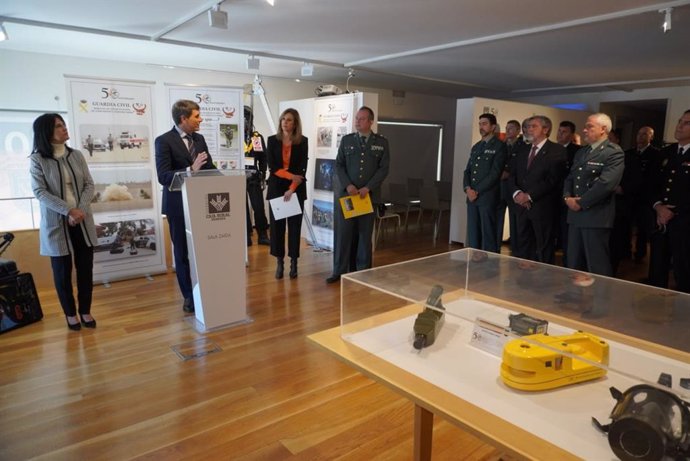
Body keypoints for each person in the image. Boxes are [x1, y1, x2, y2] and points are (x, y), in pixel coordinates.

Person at [30, 113, 98, 330]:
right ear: (46, 132)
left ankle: (85, 311)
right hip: (57, 225)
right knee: (62, 273)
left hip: (82, 222)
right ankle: (71, 315)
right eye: (59, 126)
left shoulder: (76, 155)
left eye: (64, 124)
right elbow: (39, 192)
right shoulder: (37, 160)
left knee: (86, 270)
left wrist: (79, 211)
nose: (64, 128)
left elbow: (89, 185)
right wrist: (68, 210)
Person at [155, 100, 215, 313]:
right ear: (183, 118)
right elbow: (163, 176)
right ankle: (189, 296)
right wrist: (190, 170)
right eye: (196, 116)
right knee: (182, 252)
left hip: (201, 204)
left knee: (201, 251)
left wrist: (229, 181)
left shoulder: (199, 139)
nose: (201, 120)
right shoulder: (163, 141)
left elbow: (209, 168)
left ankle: (205, 290)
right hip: (177, 206)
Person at [327, 106, 390, 284]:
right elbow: (339, 165)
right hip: (348, 196)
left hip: (367, 198)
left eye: (361, 119)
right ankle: (338, 271)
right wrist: (348, 185)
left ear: (371, 121)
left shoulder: (381, 142)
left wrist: (368, 187)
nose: (357, 121)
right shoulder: (347, 141)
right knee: (343, 235)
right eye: (356, 118)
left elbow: (383, 169)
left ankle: (363, 273)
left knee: (364, 236)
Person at [563, 113, 624, 276]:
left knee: (596, 264)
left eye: (589, 126)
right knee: (573, 263)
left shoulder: (613, 152)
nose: (584, 130)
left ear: (603, 129)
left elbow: (606, 184)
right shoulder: (582, 152)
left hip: (595, 216)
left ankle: (601, 300)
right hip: (575, 215)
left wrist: (580, 202)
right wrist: (567, 197)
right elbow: (570, 178)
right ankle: (573, 299)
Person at [509, 115, 567, 264]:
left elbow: (552, 180)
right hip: (521, 207)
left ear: (546, 129)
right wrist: (517, 194)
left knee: (543, 248)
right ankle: (524, 279)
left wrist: (529, 196)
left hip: (542, 207)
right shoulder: (523, 149)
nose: (529, 129)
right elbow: (513, 175)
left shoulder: (557, 150)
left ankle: (543, 283)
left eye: (533, 126)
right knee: (523, 245)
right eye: (528, 126)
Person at [648, 110, 690, 293]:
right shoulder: (665, 153)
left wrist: (675, 210)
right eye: (680, 121)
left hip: (685, 223)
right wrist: (658, 207)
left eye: (686, 123)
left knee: (684, 271)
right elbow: (650, 185)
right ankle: (656, 313)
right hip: (660, 221)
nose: (679, 126)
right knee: (657, 269)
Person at [266, 108, 309, 279]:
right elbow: (273, 167)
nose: (285, 122)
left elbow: (301, 168)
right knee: (277, 228)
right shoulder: (272, 140)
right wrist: (292, 177)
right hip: (277, 186)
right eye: (283, 119)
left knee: (294, 227)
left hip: (296, 189)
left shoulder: (303, 141)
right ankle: (279, 262)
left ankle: (294, 263)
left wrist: (292, 188)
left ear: (295, 123)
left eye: (289, 119)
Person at [463, 113, 507, 252]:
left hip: (486, 196)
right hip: (472, 197)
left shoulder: (499, 146)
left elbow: (495, 174)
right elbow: (468, 171)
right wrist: (467, 188)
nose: (481, 127)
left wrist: (477, 191)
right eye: (480, 124)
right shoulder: (477, 146)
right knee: (473, 232)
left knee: (488, 233)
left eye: (484, 124)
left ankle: (489, 266)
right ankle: (475, 261)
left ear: (493, 127)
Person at [628, 126, 659, 262]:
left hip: (645, 198)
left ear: (651, 137)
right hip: (629, 196)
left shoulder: (656, 154)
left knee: (643, 228)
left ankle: (640, 254)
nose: (640, 136)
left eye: (644, 134)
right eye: (639, 133)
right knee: (626, 225)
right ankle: (625, 251)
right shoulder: (629, 153)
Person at [244, 107, 270, 246]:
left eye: (248, 117)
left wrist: (263, 173)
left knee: (259, 207)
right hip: (238, 177)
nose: (246, 120)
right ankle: (246, 235)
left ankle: (263, 234)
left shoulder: (256, 137)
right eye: (243, 117)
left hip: (254, 177)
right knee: (242, 208)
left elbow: (263, 157)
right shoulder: (234, 135)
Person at [556, 120, 580, 267]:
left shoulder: (577, 151)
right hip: (551, 197)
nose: (560, 134)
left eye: (564, 132)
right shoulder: (551, 148)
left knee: (566, 235)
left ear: (571, 135)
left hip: (566, 197)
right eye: (559, 131)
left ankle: (567, 264)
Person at [498, 119, 524, 254]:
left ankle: (516, 247)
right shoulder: (502, 145)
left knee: (515, 220)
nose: (508, 131)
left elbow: (518, 166)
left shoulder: (522, 146)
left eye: (511, 128)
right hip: (501, 187)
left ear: (518, 131)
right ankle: (496, 245)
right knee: (498, 218)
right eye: (507, 128)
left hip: (513, 187)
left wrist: (508, 172)